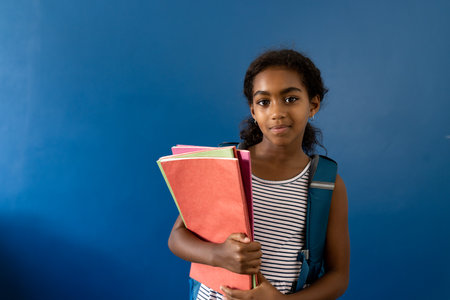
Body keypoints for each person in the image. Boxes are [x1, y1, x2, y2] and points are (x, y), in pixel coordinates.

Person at [168, 49, 350, 300]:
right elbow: (177, 237)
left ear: (313, 104)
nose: (277, 112)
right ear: (253, 111)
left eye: (290, 99)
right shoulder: (224, 166)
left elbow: (339, 276)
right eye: (264, 102)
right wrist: (218, 254)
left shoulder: (326, 184)